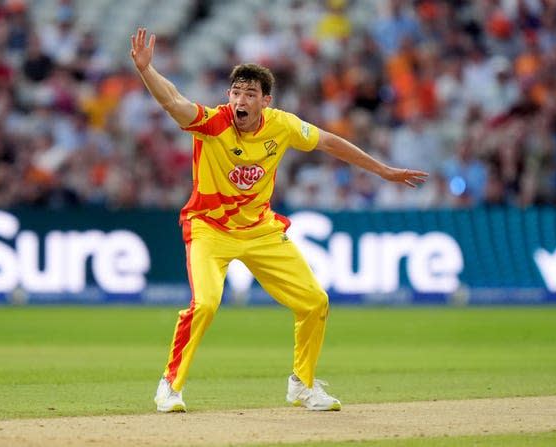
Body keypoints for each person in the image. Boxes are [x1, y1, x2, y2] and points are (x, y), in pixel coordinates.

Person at [130, 27, 428, 413]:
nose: (240, 99)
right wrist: (146, 71)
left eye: (250, 94)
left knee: (314, 302)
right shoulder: (212, 123)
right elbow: (173, 101)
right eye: (236, 92)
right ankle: (169, 386)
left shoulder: (282, 125)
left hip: (261, 230)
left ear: (265, 101)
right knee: (205, 304)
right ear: (228, 96)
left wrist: (383, 170)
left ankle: (302, 386)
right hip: (210, 228)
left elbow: (330, 142)